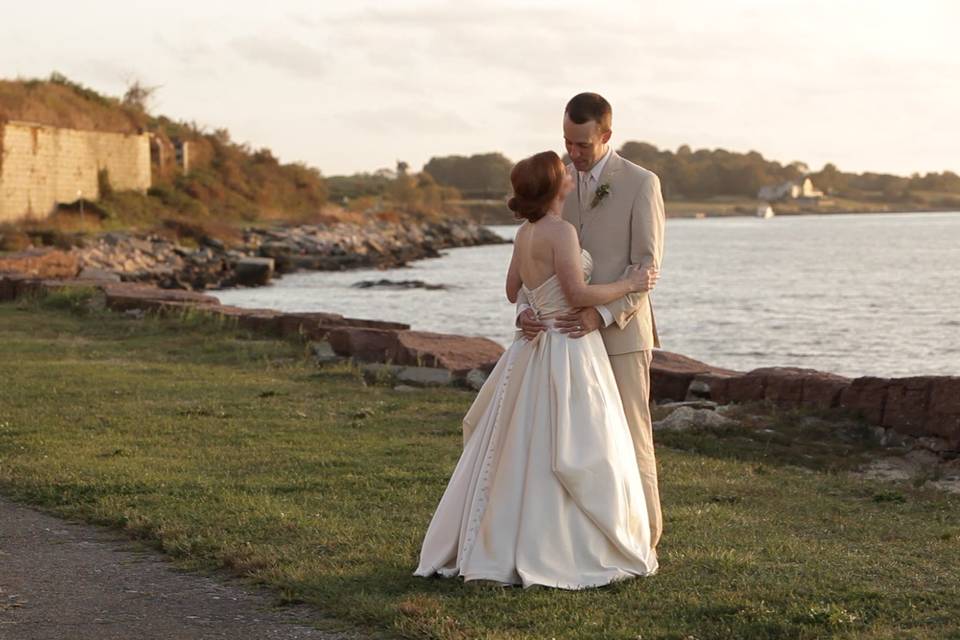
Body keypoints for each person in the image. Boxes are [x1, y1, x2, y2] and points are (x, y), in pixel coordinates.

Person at [413, 150, 660, 589]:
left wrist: (530, 308)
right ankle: (561, 544)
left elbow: (513, 290)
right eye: (563, 169)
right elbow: (578, 293)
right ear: (555, 186)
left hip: (531, 345)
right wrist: (630, 283)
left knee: (522, 441)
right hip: (566, 346)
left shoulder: (523, 234)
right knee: (570, 439)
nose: (570, 169)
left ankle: (505, 538)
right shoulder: (561, 232)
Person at [517, 93, 666, 549]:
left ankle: (645, 538)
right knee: (572, 444)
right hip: (563, 339)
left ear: (606, 136)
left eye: (582, 145)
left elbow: (646, 270)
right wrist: (527, 307)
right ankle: (583, 542)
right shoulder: (556, 180)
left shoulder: (642, 183)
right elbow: (535, 254)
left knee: (629, 437)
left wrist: (599, 314)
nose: (573, 154)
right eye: (567, 142)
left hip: (618, 334)